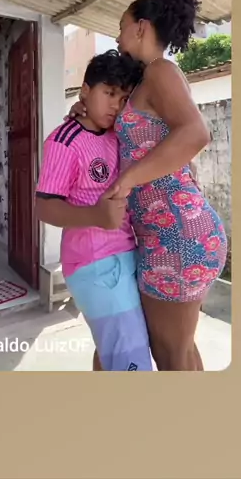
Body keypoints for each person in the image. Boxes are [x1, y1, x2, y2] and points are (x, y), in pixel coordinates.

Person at [69, 0, 227, 371]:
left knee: (171, 353)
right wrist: (85, 109)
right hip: (165, 233)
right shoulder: (143, 81)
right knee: (177, 350)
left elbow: (196, 132)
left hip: (178, 235)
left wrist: (128, 180)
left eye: (121, 27)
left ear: (140, 27)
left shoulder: (161, 70)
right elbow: (144, 138)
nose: (117, 37)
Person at [35, 50, 153, 372]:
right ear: (85, 90)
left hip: (125, 253)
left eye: (123, 98)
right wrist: (96, 217)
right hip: (94, 263)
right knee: (131, 358)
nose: (116, 105)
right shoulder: (63, 141)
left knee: (113, 352)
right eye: (109, 93)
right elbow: (44, 207)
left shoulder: (116, 134)